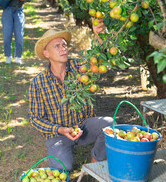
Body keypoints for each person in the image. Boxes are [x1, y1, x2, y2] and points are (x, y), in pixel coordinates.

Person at [28, 25, 113, 172]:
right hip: (58, 133)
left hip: (83, 126)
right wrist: (60, 129)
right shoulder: (38, 83)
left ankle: (95, 166)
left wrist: (99, 37)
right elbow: (35, 118)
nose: (63, 48)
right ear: (46, 53)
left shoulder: (79, 68)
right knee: (62, 167)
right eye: (57, 46)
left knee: (109, 125)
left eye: (64, 45)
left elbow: (96, 61)